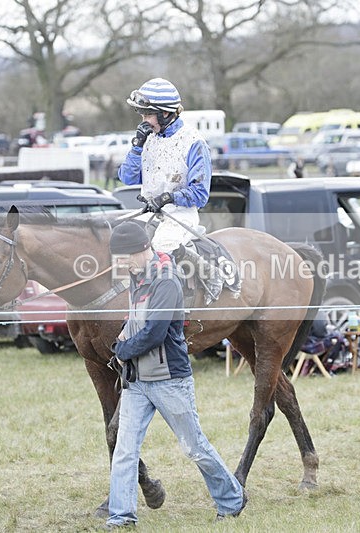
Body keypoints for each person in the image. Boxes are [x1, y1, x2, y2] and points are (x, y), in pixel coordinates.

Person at [104, 221, 247, 529]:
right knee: (125, 450)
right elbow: (138, 320)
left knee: (194, 447)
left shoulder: (167, 281)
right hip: (137, 381)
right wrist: (125, 335)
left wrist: (122, 349)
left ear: (142, 250)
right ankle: (121, 516)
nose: (122, 264)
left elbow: (155, 332)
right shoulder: (137, 276)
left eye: (124, 257)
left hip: (169, 380)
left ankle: (232, 498)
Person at [117, 78, 223, 300]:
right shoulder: (147, 139)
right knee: (117, 237)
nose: (144, 121)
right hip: (150, 213)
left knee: (159, 247)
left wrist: (167, 198)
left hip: (180, 214)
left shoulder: (194, 142)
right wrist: (137, 147)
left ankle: (208, 274)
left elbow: (200, 194)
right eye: (142, 115)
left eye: (148, 115)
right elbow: (127, 177)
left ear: (165, 113)